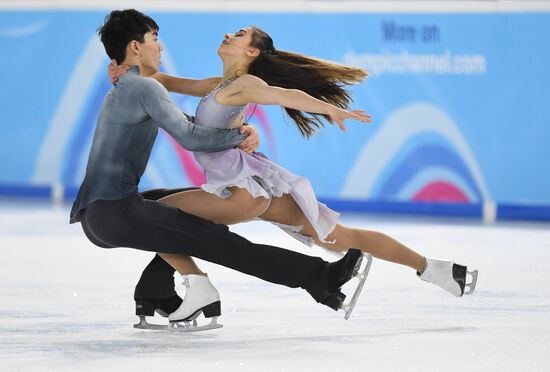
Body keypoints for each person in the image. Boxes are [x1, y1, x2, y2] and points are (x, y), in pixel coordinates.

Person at [109, 25, 478, 323]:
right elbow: (160, 80)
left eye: (238, 35)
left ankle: (198, 287)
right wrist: (123, 72)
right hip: (254, 189)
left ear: (252, 53)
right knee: (338, 236)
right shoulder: (216, 85)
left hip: (238, 192)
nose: (228, 35)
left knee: (148, 218)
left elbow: (288, 96)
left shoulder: (245, 84)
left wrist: (329, 109)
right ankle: (434, 269)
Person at [71, 9, 370, 328]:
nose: (161, 47)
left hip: (102, 211)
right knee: (214, 239)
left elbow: (186, 124)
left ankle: (154, 291)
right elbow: (190, 137)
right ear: (135, 47)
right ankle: (320, 277)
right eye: (155, 39)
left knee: (176, 212)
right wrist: (238, 134)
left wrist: (240, 133)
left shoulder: (131, 87)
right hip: (112, 213)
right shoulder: (144, 88)